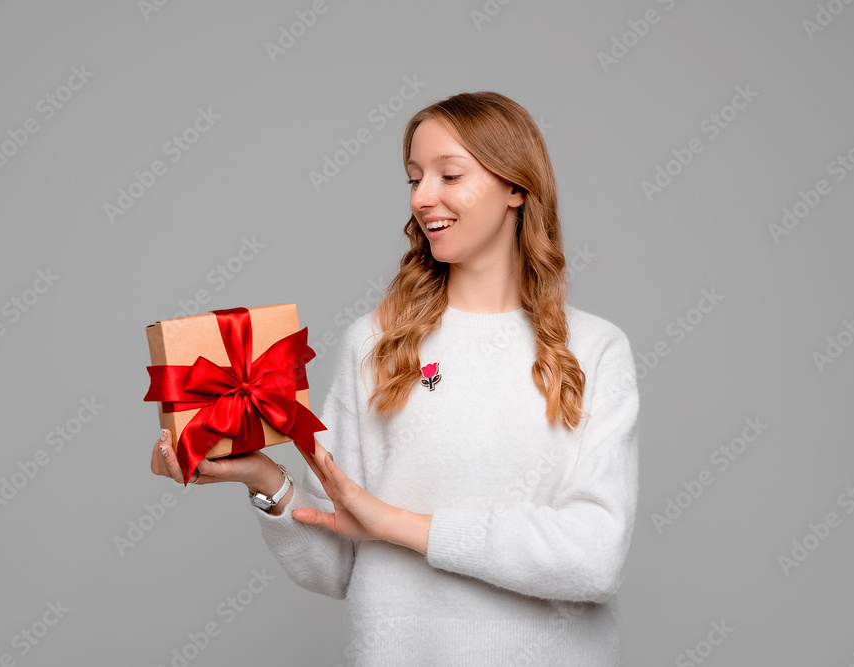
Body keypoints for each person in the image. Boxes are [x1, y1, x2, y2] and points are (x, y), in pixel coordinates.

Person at [150, 90, 640, 666]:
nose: (423, 197)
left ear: (516, 187)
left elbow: (594, 558)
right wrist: (261, 475)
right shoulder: (377, 344)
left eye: (448, 175)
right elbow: (339, 563)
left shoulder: (595, 349)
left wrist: (402, 526)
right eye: (413, 179)